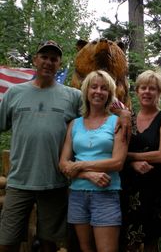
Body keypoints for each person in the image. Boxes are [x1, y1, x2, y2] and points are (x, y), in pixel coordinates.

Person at [0, 40, 81, 252]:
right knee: (7, 241)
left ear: (59, 63)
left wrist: (124, 114)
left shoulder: (73, 96)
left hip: (54, 182)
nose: (48, 62)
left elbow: (97, 120)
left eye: (54, 59)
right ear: (35, 60)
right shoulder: (14, 93)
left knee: (50, 243)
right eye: (44, 57)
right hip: (19, 181)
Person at [59, 70, 128, 252]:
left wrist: (80, 165)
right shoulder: (74, 124)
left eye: (104, 88)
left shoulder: (118, 122)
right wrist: (89, 175)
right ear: (86, 91)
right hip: (77, 194)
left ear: (109, 94)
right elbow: (63, 163)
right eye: (94, 87)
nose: (98, 91)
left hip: (106, 193)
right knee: (85, 248)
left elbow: (118, 162)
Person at [120, 70, 161, 252]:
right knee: (130, 239)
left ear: (159, 93)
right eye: (143, 88)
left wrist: (130, 157)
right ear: (137, 92)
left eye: (152, 88)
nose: (147, 92)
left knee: (152, 240)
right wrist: (132, 163)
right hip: (132, 186)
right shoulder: (129, 119)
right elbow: (118, 151)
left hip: (158, 186)